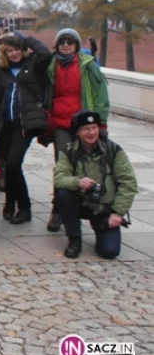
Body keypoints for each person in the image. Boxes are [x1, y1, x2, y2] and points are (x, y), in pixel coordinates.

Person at [45, 28, 109, 233]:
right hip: (59, 122)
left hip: (82, 121)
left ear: (76, 45)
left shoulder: (87, 65)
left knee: (88, 163)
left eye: (69, 42)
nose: (65, 45)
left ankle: (90, 206)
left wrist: (101, 123)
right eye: (62, 41)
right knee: (62, 164)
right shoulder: (50, 64)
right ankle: (58, 209)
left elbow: (101, 94)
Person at [54, 110, 137, 259]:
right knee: (63, 195)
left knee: (109, 251)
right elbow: (59, 178)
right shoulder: (69, 151)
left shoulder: (113, 150)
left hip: (105, 207)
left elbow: (128, 183)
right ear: (78, 132)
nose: (91, 132)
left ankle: (100, 227)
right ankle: (74, 239)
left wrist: (118, 213)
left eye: (94, 128)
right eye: (86, 129)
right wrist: (77, 182)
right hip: (81, 202)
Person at [0, 33, 51, 224]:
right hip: (5, 123)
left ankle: (24, 207)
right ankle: (10, 204)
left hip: (24, 123)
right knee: (8, 167)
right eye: (10, 50)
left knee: (12, 164)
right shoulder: (2, 70)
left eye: (17, 49)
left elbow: (45, 54)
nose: (14, 53)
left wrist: (25, 38)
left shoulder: (33, 65)